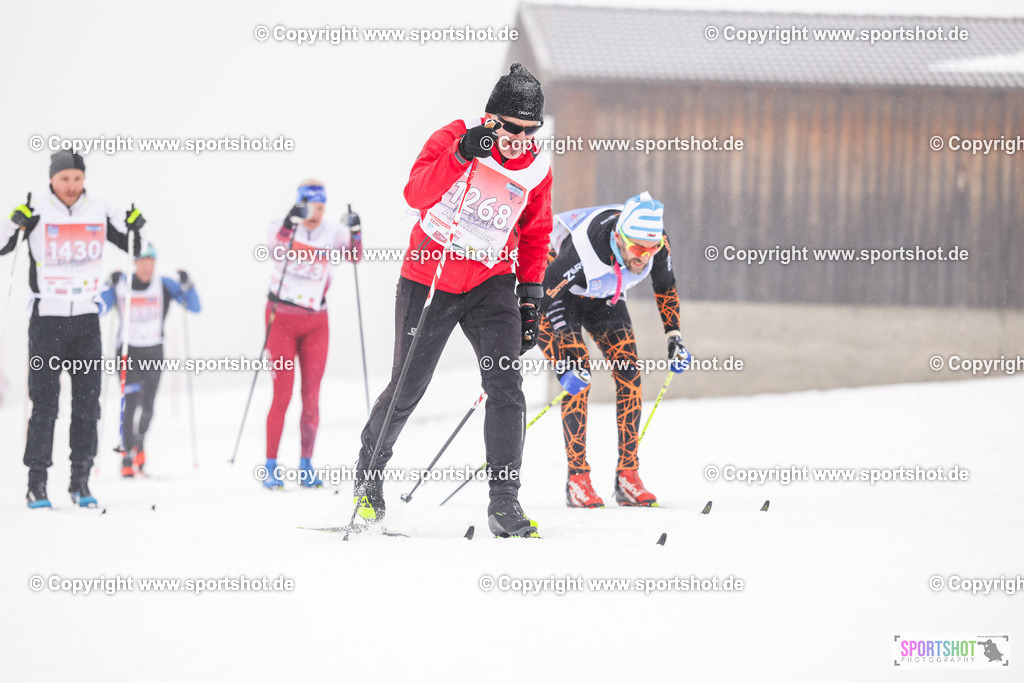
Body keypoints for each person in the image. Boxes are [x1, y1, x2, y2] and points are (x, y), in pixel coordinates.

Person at [354, 63, 552, 538]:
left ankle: (504, 501)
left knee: (506, 385)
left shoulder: (536, 168)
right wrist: (462, 154)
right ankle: (368, 476)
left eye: (531, 131)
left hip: (491, 282)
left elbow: (535, 233)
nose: (520, 141)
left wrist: (530, 296)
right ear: (491, 119)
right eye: (512, 130)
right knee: (408, 385)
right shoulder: (455, 135)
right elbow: (415, 193)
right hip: (431, 276)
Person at [1, 150, 146, 508]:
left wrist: (135, 224)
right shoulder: (36, 210)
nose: (71, 186)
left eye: (77, 178)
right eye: (64, 178)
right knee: (45, 405)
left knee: (87, 405)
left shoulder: (99, 209)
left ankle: (80, 480)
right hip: (47, 322)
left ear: (84, 179)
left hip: (85, 322)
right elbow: (3, 246)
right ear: (52, 179)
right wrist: (13, 221)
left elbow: (134, 246)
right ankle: (37, 483)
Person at [537, 192, 692, 508]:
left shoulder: (655, 241)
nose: (644, 258)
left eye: (651, 249)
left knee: (630, 374)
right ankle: (578, 480)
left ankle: (628, 476)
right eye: (638, 249)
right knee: (580, 375)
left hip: (603, 295)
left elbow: (665, 286)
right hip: (557, 296)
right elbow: (546, 294)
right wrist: (564, 358)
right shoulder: (585, 249)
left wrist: (674, 337)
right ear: (619, 237)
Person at [261, 181, 362, 489]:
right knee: (282, 394)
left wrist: (356, 231)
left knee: (311, 395)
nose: (314, 214)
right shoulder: (280, 226)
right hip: (280, 318)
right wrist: (288, 225)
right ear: (298, 204)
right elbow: (274, 251)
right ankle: (271, 465)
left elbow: (354, 256)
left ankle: (306, 464)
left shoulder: (332, 231)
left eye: (320, 207)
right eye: (309, 207)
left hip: (316, 321)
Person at [99, 242, 201, 476]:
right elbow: (101, 308)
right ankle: (127, 455)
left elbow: (194, 307)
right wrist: (107, 285)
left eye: (150, 262)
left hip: (154, 351)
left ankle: (140, 443)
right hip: (128, 352)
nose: (146, 267)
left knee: (148, 406)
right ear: (135, 263)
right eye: (142, 262)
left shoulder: (164, 284)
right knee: (130, 401)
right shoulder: (121, 283)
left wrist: (188, 285)